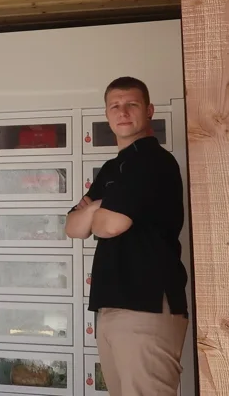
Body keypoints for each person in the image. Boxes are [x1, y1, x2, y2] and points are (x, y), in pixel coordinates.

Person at [65, 77, 189, 396]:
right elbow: (73, 228)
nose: (122, 111)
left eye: (131, 104)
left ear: (148, 111)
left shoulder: (153, 161)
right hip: (112, 306)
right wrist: (97, 212)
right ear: (107, 114)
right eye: (114, 106)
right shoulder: (112, 168)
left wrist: (94, 212)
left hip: (146, 305)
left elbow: (110, 226)